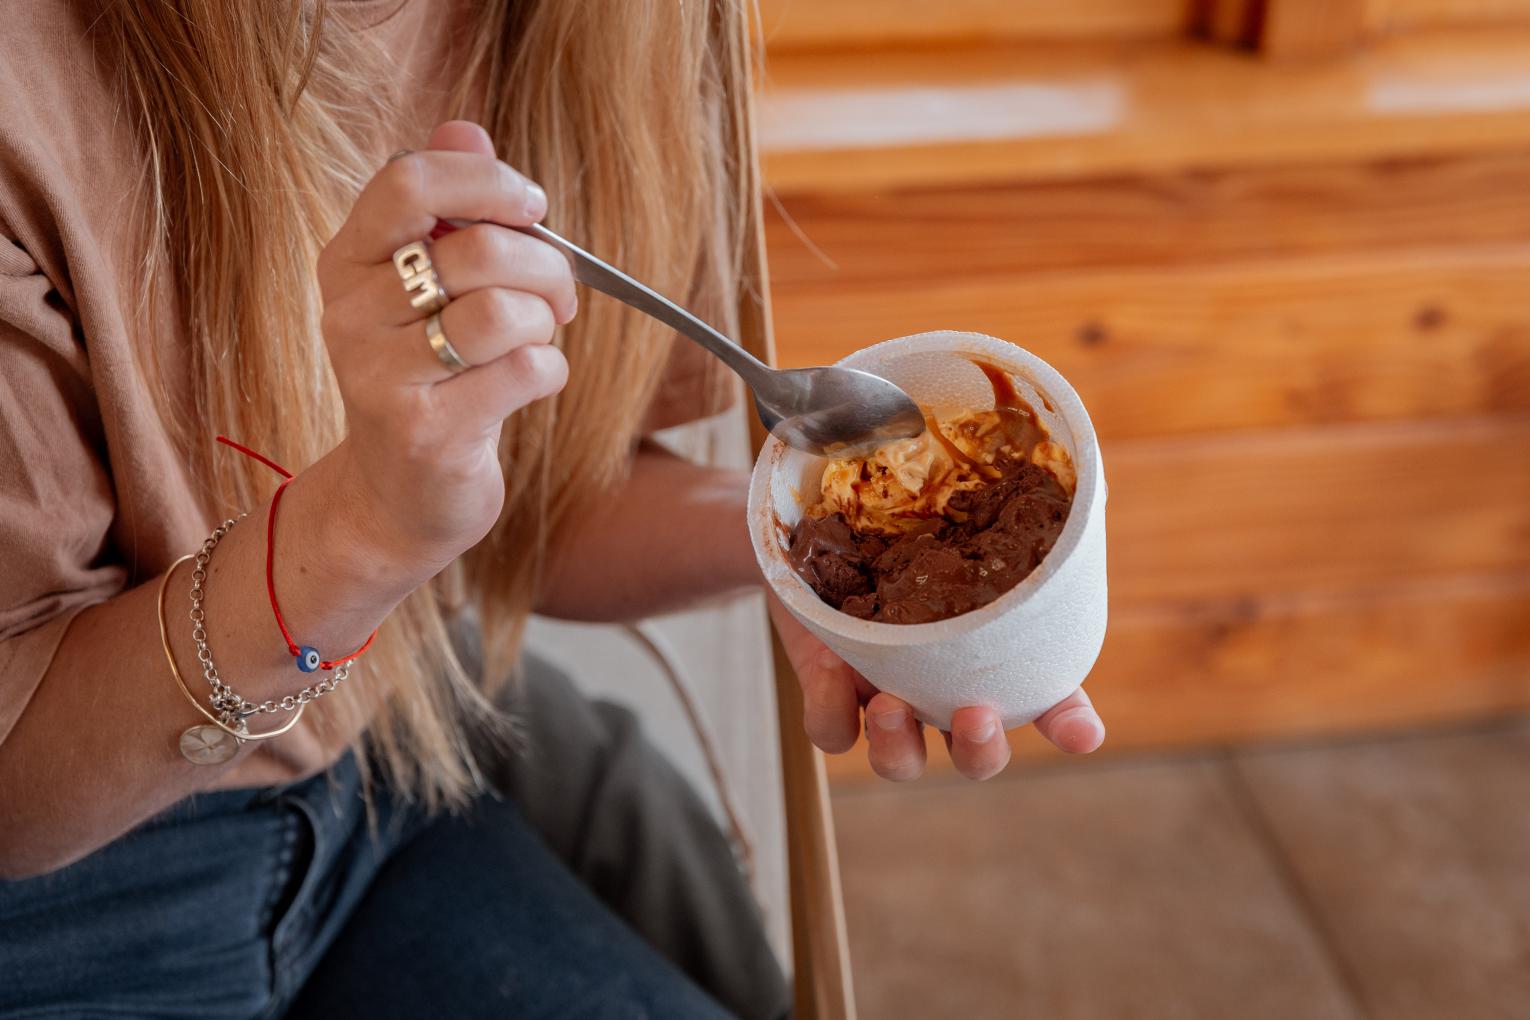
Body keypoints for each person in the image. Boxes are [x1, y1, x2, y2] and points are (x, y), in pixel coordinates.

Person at [0, 1, 1107, 1016]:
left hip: (385, 775)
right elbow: (18, 799)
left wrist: (798, 549)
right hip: (76, 898)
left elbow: (538, 510)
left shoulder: (629, 29)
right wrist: (363, 532)